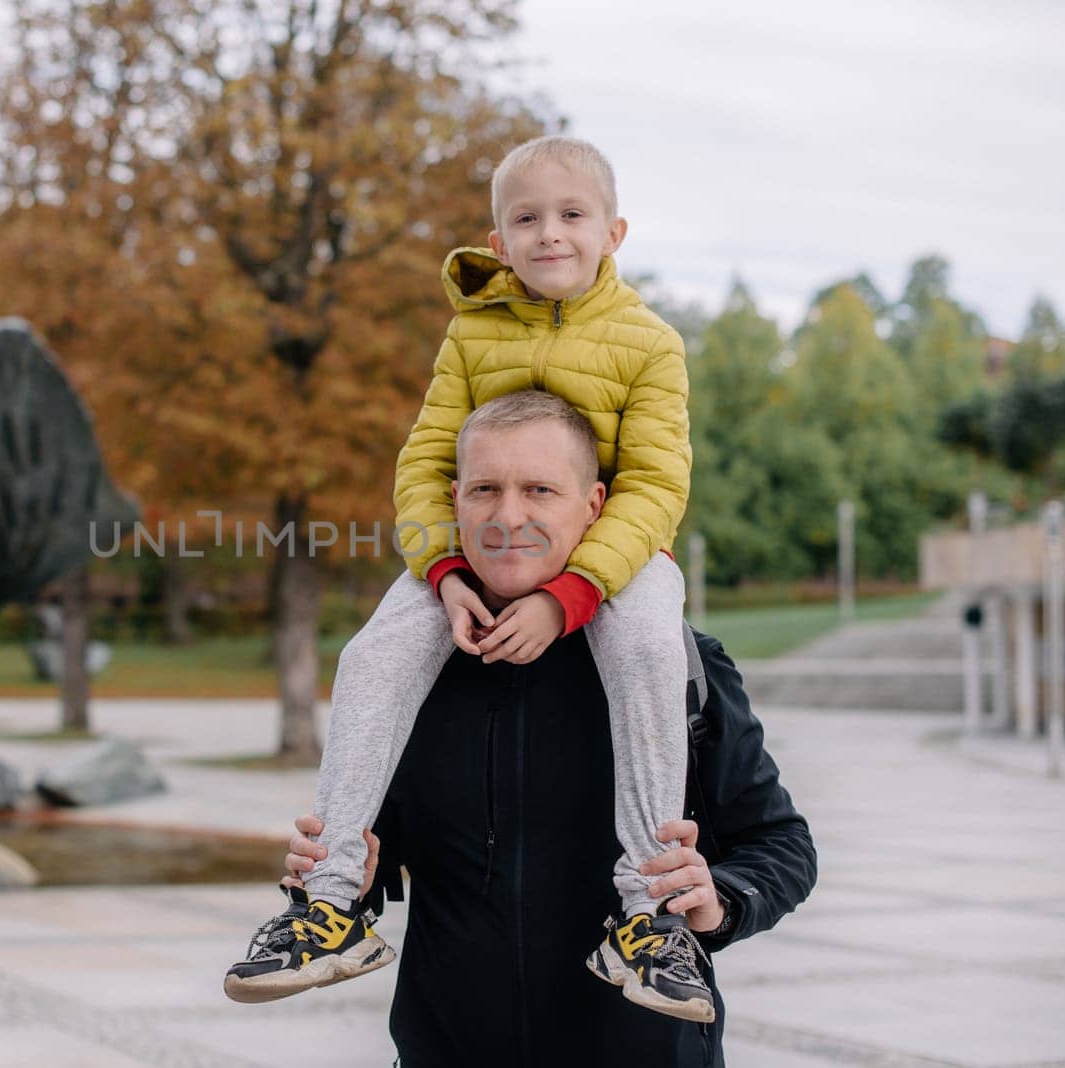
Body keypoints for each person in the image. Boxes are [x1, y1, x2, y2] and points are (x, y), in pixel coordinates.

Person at [225, 134, 701, 1017]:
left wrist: (572, 595)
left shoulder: (650, 343)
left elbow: (655, 484)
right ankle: (328, 903)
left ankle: (648, 919)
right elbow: (424, 466)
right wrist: (443, 570)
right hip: (467, 554)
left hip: (617, 560)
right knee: (371, 656)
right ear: (497, 235)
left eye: (571, 215)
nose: (549, 233)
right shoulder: (471, 331)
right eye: (526, 218)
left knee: (645, 650)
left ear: (614, 232)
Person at [280, 393, 816, 1065]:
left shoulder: (677, 666)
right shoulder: (411, 675)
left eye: (539, 489)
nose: (509, 516)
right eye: (485, 490)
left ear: (593, 507)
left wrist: (719, 902)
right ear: (453, 501)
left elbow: (782, 844)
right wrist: (348, 877)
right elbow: (388, 846)